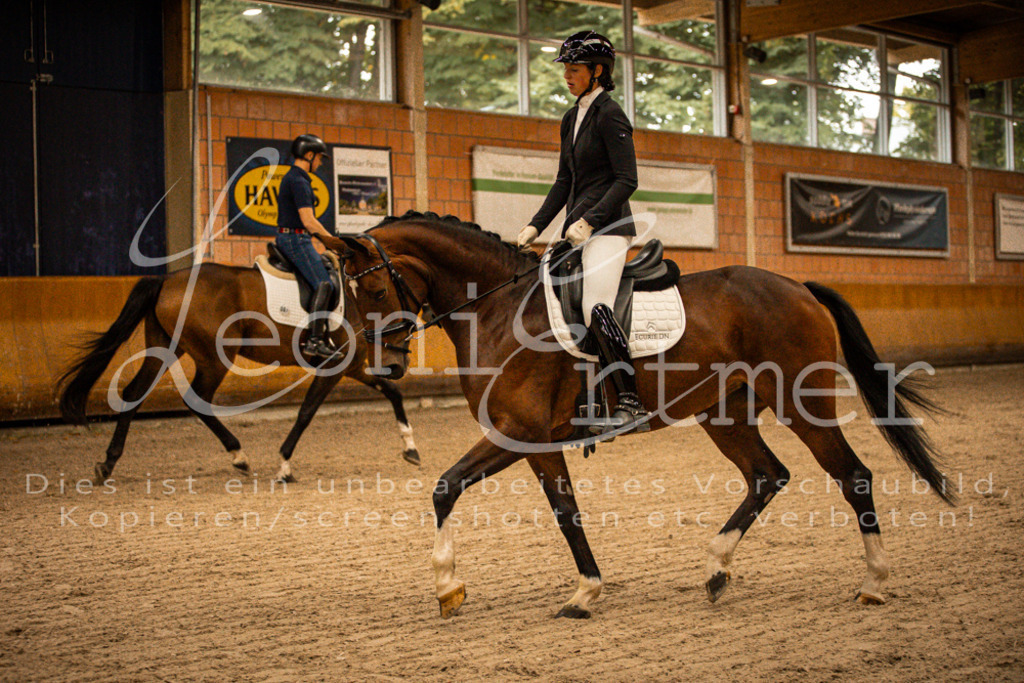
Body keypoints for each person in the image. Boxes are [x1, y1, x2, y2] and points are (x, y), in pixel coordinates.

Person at [517, 30, 649, 434]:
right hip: (575, 228)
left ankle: (630, 399)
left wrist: (591, 220)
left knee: (595, 305)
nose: (567, 76)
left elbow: (628, 180)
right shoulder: (571, 117)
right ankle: (578, 399)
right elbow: (563, 181)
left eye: (574, 70)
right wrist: (536, 224)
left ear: (597, 72)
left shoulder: (611, 114)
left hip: (608, 228)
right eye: (567, 70)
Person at [276, 133, 337, 359]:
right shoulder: (299, 181)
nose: (320, 163)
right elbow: (309, 221)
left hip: (294, 237)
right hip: (296, 239)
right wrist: (333, 243)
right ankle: (315, 340)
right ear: (309, 155)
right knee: (324, 283)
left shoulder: (295, 178)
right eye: (319, 158)